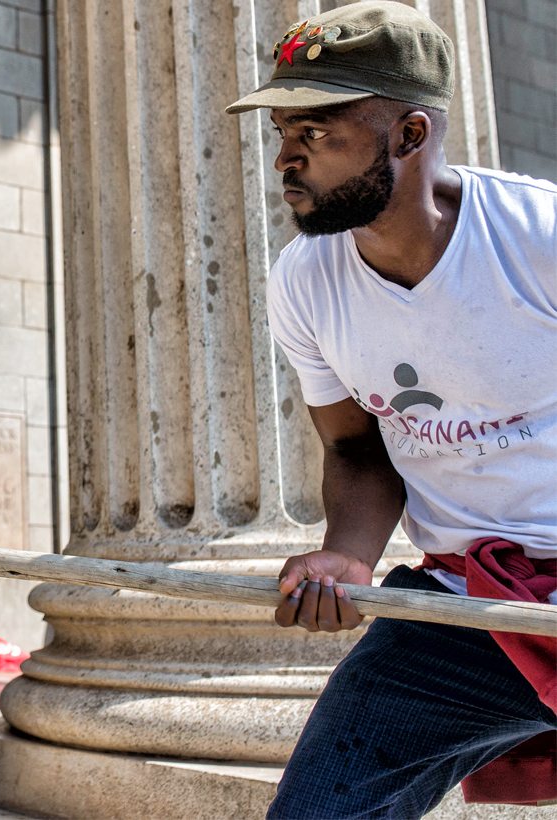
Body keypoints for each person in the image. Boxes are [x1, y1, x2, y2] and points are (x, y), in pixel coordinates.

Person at [225, 2, 557, 816]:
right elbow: (357, 450)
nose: (287, 159)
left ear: (410, 135)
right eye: (282, 134)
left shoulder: (539, 238)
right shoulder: (304, 281)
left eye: (318, 133)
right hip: (465, 606)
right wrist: (345, 554)